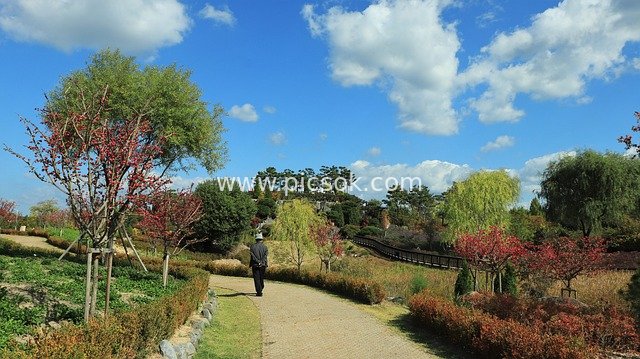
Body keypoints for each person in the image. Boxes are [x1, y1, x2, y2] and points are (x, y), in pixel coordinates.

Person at [249, 232, 268, 296]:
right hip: (263, 265)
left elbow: (252, 256)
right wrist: (261, 262)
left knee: (256, 278)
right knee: (261, 277)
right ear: (261, 239)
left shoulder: (252, 247)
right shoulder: (265, 247)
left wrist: (258, 261)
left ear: (256, 239)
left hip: (255, 265)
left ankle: (259, 292)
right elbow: (265, 256)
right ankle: (261, 287)